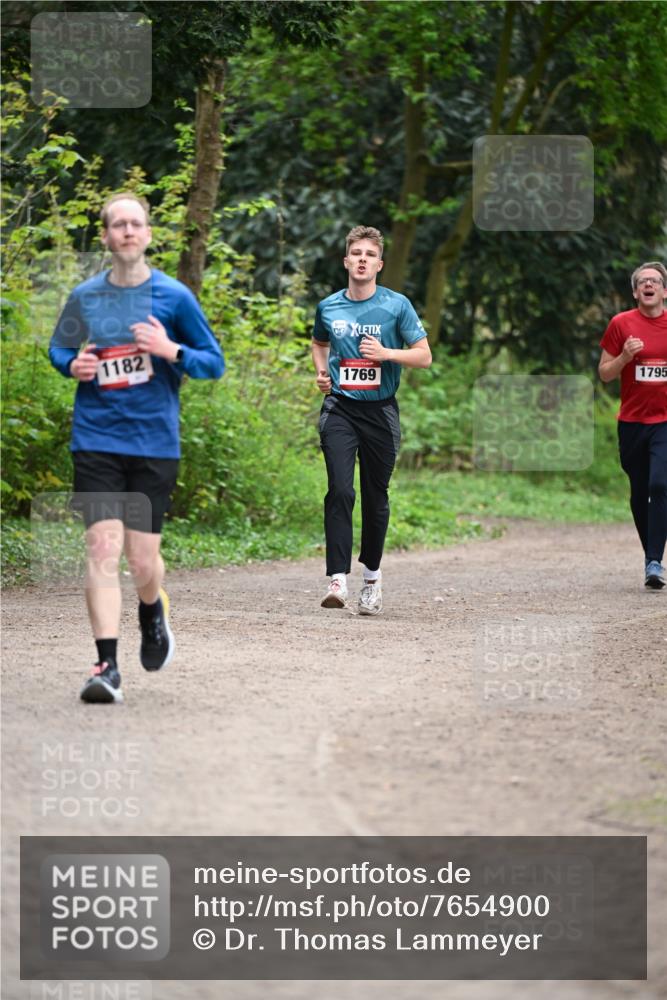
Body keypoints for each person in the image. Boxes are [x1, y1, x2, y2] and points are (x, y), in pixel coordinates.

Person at [49, 192, 224, 703]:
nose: (127, 231)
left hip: (153, 443)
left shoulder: (173, 298)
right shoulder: (86, 296)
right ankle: (106, 667)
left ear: (147, 235)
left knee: (143, 562)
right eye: (117, 224)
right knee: (102, 549)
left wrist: (171, 350)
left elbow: (213, 363)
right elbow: (60, 348)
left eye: (135, 224)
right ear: (105, 236)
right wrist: (71, 365)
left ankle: (152, 609)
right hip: (96, 439)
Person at [312, 225, 432, 614]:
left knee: (375, 498)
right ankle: (337, 579)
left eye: (369, 254)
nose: (362, 259)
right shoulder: (329, 306)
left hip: (380, 412)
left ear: (379, 264)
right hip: (340, 408)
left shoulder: (397, 305)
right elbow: (319, 342)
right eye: (356, 253)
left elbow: (424, 355)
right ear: (346, 261)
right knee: (341, 490)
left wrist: (387, 354)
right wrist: (321, 372)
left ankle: (372, 579)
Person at [599, 261, 667, 589]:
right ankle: (651, 556)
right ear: (635, 291)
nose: (648, 285)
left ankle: (655, 561)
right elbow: (605, 373)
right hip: (632, 422)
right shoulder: (621, 324)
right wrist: (625, 357)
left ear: (664, 291)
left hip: (665, 421)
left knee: (659, 484)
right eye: (642, 282)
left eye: (655, 281)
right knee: (639, 491)